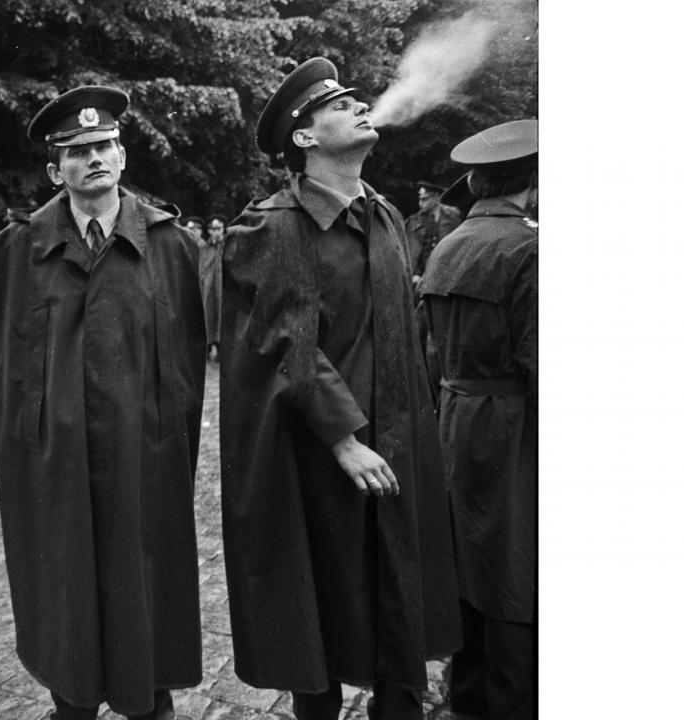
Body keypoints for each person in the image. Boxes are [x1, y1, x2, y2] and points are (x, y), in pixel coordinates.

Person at [218, 58, 461, 720]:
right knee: (319, 607)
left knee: (401, 597)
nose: (361, 108)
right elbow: (288, 344)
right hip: (317, 456)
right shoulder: (272, 224)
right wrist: (346, 440)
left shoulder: (382, 214)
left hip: (401, 441)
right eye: (341, 105)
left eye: (359, 100)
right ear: (304, 138)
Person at [0, 85, 207, 720]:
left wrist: (169, 439)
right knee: (65, 580)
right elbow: (2, 370)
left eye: (105, 145)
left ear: (124, 155)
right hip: (56, 457)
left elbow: (188, 363)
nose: (94, 158)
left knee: (145, 574)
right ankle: (71, 700)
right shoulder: (18, 249)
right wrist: (31, 446)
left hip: (145, 450)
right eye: (77, 152)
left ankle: (149, 699)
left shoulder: (170, 244)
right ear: (57, 170)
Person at [417, 119, 538, 720]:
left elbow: (426, 348)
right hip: (515, 424)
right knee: (517, 565)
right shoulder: (532, 248)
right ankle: (512, 701)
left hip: (455, 418)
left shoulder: (448, 245)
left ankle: (465, 694)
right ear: (533, 184)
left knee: (467, 556)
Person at [404, 180, 463, 284]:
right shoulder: (414, 222)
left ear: (436, 197)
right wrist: (415, 274)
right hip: (419, 279)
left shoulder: (452, 218)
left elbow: (459, 248)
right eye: (420, 199)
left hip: (446, 275)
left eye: (424, 199)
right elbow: (409, 250)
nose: (420, 203)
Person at [199, 215, 226, 362]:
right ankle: (211, 346)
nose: (215, 232)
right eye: (212, 229)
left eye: (218, 228)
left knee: (223, 314)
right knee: (208, 313)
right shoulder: (205, 247)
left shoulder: (227, 245)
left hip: (223, 289)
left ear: (223, 229)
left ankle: (221, 347)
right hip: (208, 288)